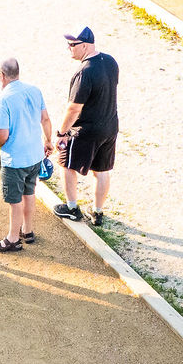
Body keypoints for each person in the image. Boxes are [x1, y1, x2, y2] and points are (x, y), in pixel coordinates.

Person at [54, 26, 118, 227]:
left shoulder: (84, 72)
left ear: (85, 45)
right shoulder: (110, 62)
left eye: (72, 44)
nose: (69, 48)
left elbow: (74, 108)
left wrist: (62, 133)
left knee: (66, 163)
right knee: (101, 170)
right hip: (109, 125)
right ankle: (97, 212)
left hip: (87, 130)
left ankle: (72, 208)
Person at [0, 56, 52, 254]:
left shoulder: (3, 99)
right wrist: (48, 141)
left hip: (15, 159)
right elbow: (45, 119)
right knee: (29, 193)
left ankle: (12, 239)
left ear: (2, 75)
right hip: (34, 155)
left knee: (15, 200)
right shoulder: (34, 90)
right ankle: (28, 230)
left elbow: (2, 136)